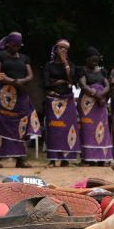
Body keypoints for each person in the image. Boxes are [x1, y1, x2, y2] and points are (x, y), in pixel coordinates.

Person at [0, 32, 41, 168]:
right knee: (0, 123)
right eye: (14, 45)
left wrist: (19, 82)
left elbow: (30, 76)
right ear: (8, 43)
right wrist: (13, 82)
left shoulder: (24, 58)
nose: (16, 47)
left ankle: (20, 159)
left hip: (21, 95)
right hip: (3, 94)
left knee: (22, 124)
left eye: (19, 45)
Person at [42, 39, 80, 167]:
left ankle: (65, 159)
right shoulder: (49, 65)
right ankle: (52, 159)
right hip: (53, 99)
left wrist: (65, 64)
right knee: (53, 129)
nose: (63, 51)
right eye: (61, 48)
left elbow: (72, 80)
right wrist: (61, 81)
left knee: (67, 128)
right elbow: (46, 83)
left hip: (67, 99)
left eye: (66, 49)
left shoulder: (70, 64)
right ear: (56, 49)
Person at [77, 46, 113, 166]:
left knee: (102, 128)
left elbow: (107, 86)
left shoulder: (102, 71)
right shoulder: (82, 70)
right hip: (87, 104)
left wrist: (101, 95)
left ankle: (103, 158)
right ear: (87, 59)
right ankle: (89, 158)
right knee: (88, 129)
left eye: (96, 60)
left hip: (100, 104)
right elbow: (83, 85)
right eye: (92, 60)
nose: (95, 62)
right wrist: (95, 95)